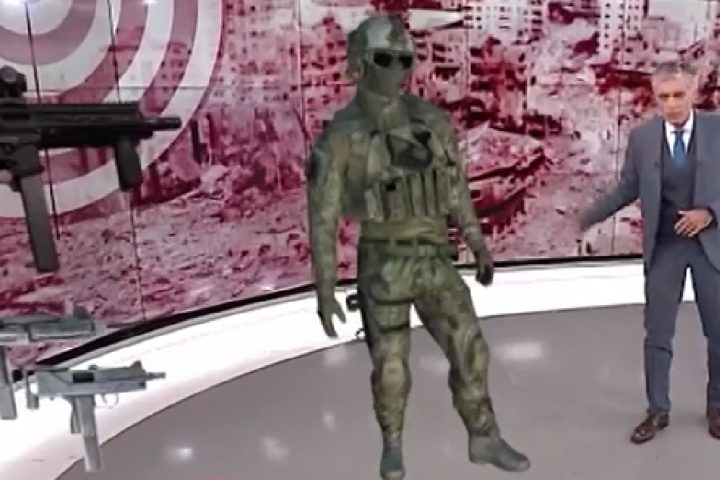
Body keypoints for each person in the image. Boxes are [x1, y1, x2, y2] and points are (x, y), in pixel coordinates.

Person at [305, 14, 530, 480]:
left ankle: (484, 436)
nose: (397, 70)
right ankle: (392, 446)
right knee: (391, 369)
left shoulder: (433, 121)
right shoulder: (341, 136)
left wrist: (477, 243)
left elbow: (455, 188)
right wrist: (325, 289)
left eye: (404, 60)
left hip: (433, 258)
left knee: (471, 349)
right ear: (361, 63)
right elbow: (323, 217)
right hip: (383, 263)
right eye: (385, 59)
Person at [579, 60, 720, 443]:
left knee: (718, 333)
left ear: (694, 92)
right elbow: (628, 188)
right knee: (657, 334)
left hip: (711, 248)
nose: (671, 104)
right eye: (663, 97)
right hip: (666, 248)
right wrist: (585, 218)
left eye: (678, 95)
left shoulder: (717, 129)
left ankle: (717, 407)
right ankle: (658, 410)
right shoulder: (642, 138)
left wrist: (710, 213)